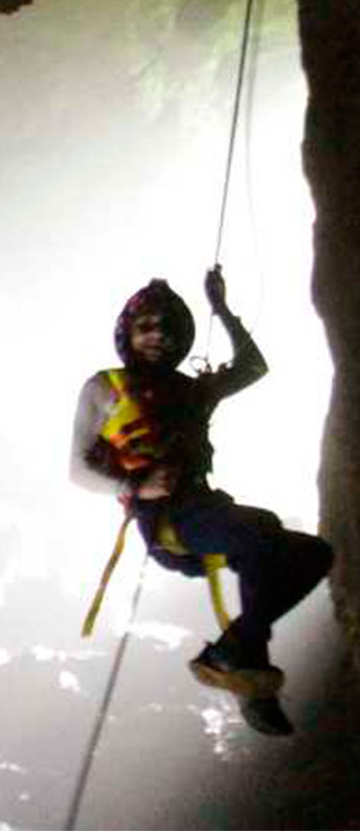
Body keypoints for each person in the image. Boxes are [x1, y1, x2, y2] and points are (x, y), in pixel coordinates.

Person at [70, 268, 333, 736]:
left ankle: (236, 648)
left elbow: (253, 367)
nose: (157, 336)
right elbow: (79, 469)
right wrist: (135, 488)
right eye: (146, 326)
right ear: (127, 333)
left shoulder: (191, 391)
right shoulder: (104, 388)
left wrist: (222, 309)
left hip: (205, 512)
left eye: (167, 328)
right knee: (259, 535)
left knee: (313, 554)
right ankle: (247, 659)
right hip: (168, 520)